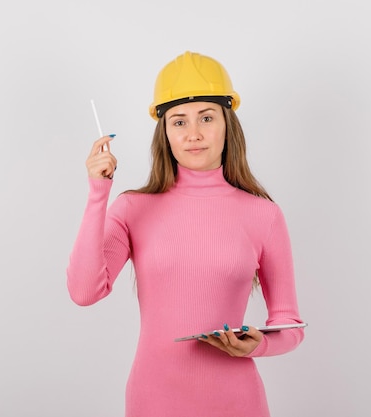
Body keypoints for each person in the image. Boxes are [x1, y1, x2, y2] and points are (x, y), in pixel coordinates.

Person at [66, 51, 305, 417]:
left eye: (206, 118)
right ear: (164, 131)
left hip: (237, 403)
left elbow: (289, 324)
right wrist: (98, 193)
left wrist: (257, 346)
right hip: (153, 401)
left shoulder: (264, 214)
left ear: (228, 124)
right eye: (179, 122)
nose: (193, 134)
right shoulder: (132, 208)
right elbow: (84, 292)